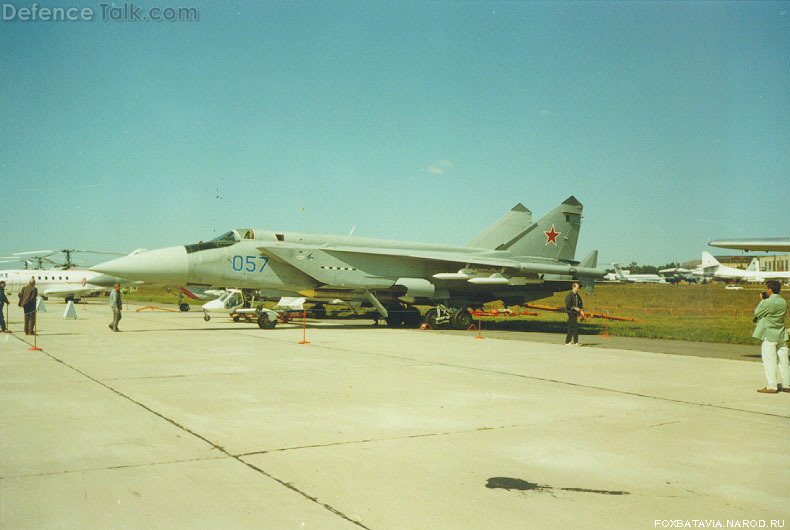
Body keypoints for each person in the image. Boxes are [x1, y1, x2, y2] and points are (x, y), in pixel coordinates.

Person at [752, 280, 789, 393]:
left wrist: (762, 301)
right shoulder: (783, 302)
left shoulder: (767, 302)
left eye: (766, 289)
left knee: (770, 361)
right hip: (781, 335)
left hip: (769, 335)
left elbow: (757, 313)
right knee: (784, 361)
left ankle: (771, 386)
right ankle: (787, 384)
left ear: (770, 289)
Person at [564, 281, 585, 346]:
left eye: (578, 288)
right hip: (571, 312)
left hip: (575, 313)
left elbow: (580, 303)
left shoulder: (577, 296)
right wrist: (574, 308)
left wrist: (581, 310)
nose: (578, 289)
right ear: (573, 287)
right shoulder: (569, 295)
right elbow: (568, 304)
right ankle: (573, 342)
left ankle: (569, 341)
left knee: (571, 327)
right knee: (574, 326)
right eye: (577, 288)